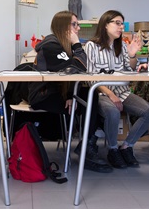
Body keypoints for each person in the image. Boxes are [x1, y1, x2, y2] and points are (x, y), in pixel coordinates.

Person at [28, 10, 113, 173]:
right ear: (63, 27)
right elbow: (77, 69)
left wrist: (69, 95)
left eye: (78, 24)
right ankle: (87, 147)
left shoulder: (61, 45)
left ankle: (87, 144)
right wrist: (76, 45)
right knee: (90, 98)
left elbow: (70, 74)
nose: (78, 28)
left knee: (91, 94)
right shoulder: (51, 45)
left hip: (59, 92)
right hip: (43, 95)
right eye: (74, 24)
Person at [85, 10, 149, 169]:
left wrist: (132, 55)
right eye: (117, 23)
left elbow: (130, 72)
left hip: (122, 92)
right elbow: (91, 77)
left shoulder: (122, 45)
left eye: (122, 24)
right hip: (101, 92)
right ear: (105, 25)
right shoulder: (91, 46)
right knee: (113, 111)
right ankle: (112, 150)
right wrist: (111, 95)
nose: (121, 27)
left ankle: (126, 147)